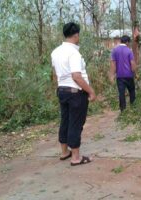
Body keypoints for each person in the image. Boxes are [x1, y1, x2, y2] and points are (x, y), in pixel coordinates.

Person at [51, 22, 96, 166]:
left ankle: (64, 152)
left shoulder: (55, 52)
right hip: (75, 93)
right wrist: (90, 91)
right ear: (76, 35)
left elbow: (54, 74)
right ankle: (76, 157)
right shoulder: (74, 53)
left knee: (65, 121)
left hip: (62, 90)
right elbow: (76, 76)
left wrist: (58, 87)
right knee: (76, 123)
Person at [109, 35, 137, 111]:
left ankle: (123, 110)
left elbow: (113, 64)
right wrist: (135, 73)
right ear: (127, 42)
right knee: (132, 91)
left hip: (120, 76)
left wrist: (112, 75)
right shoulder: (129, 51)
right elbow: (132, 63)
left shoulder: (115, 50)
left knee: (121, 93)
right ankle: (133, 107)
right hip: (129, 75)